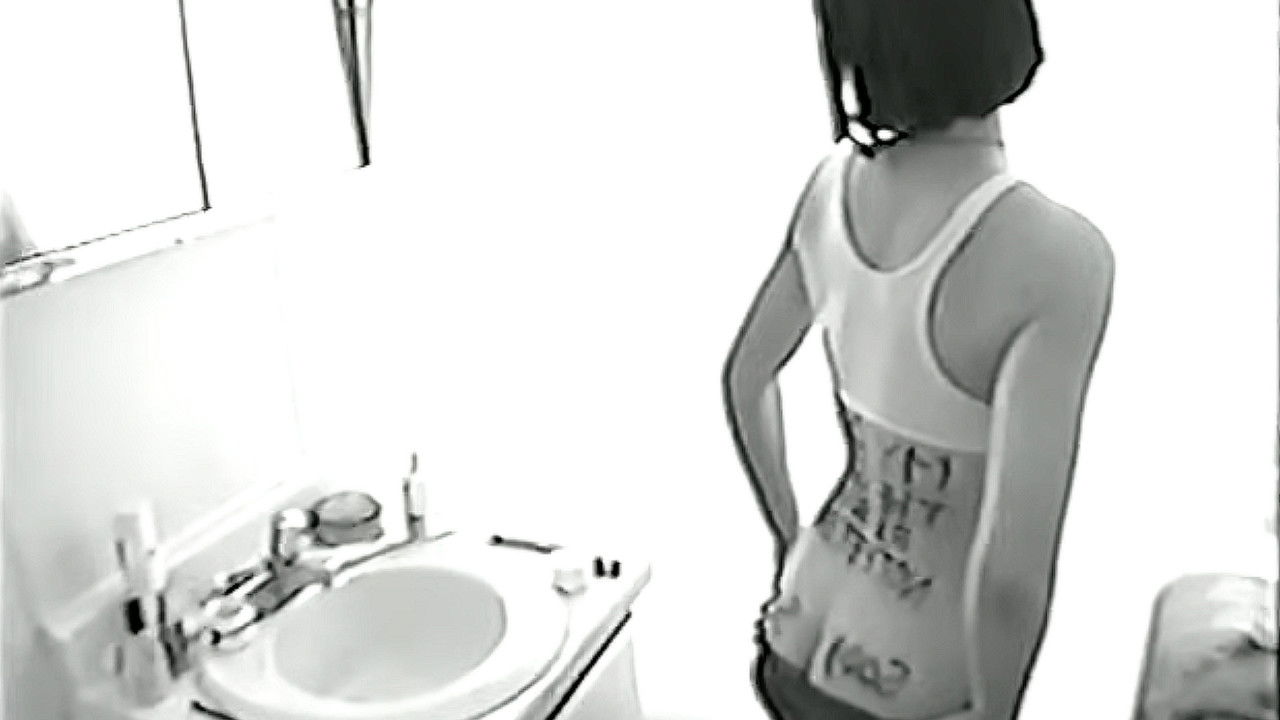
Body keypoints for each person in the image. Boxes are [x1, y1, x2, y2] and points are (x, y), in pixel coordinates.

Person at [721, 1, 1114, 719]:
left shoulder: (831, 185)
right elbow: (1010, 577)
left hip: (792, 635)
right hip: (902, 693)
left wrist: (788, 538)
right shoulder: (1056, 256)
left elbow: (747, 380)